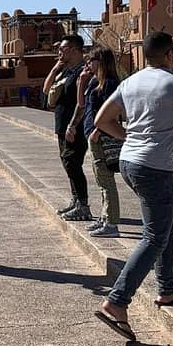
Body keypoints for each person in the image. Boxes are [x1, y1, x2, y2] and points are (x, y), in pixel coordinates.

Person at [93, 32, 173, 340]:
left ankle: (167, 288)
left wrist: (132, 140)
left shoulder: (131, 82)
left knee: (169, 224)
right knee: (154, 236)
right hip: (153, 168)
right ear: (170, 55)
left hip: (128, 162)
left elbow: (101, 120)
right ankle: (117, 301)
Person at [43, 36, 91, 221]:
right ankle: (76, 200)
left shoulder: (84, 72)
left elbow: (82, 103)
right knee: (67, 164)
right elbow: (47, 90)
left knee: (73, 163)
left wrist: (73, 125)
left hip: (75, 126)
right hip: (62, 125)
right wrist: (56, 68)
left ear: (74, 49)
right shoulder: (65, 71)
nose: (59, 53)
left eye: (62, 49)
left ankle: (83, 205)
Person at [76, 49, 122, 237]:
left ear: (101, 62)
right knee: (100, 179)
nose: (88, 64)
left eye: (91, 60)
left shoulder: (110, 83)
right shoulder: (95, 82)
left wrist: (98, 130)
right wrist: (81, 84)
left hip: (102, 137)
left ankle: (111, 223)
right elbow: (82, 105)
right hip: (93, 136)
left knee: (106, 180)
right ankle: (104, 218)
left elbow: (112, 112)